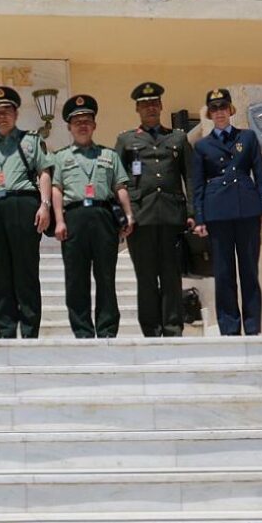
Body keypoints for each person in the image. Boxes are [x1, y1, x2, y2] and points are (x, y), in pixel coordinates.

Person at [114, 82, 195, 337]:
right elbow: (117, 179)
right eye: (144, 104)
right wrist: (121, 217)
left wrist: (192, 213)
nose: (150, 108)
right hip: (141, 217)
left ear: (160, 106)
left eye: (154, 103)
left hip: (172, 216)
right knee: (146, 277)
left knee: (171, 275)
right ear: (137, 109)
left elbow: (190, 177)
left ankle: (172, 327)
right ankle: (151, 329)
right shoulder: (127, 140)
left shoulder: (178, 138)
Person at [191, 88, 262, 336]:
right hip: (217, 213)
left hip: (247, 210)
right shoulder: (202, 146)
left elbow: (259, 174)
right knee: (224, 273)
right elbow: (197, 184)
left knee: (249, 270)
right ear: (209, 114)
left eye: (223, 107)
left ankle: (253, 326)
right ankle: (229, 327)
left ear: (230, 110)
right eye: (214, 109)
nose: (219, 113)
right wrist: (200, 217)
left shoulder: (247, 138)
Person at [52, 94, 135, 338]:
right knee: (76, 279)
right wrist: (59, 220)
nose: (82, 125)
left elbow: (120, 187)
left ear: (94, 125)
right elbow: (56, 190)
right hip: (74, 218)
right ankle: (82, 330)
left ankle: (107, 328)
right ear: (69, 127)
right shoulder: (61, 157)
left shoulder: (109, 156)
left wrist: (129, 215)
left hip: (103, 218)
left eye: (87, 120)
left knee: (106, 277)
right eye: (77, 122)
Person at [0, 86, 53, 339]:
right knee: (3, 273)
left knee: (27, 271)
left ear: (16, 113)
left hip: (25, 205)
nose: (1, 116)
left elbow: (44, 172)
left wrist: (45, 205)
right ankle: (5, 330)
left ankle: (30, 330)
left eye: (6, 110)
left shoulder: (31, 141)